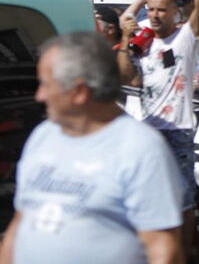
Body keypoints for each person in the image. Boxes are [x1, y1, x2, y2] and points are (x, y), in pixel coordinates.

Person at [0, 32, 183, 263]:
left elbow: (162, 248)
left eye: (46, 85)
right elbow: (20, 222)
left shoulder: (140, 148)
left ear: (79, 92)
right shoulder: (43, 135)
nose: (39, 96)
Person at [115, 0, 199, 255]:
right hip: (148, 131)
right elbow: (127, 78)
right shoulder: (142, 40)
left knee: (181, 200)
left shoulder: (184, 38)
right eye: (151, 9)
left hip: (178, 131)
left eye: (161, 10)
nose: (154, 15)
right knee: (145, 199)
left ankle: (181, 254)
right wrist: (126, 39)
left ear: (174, 13)